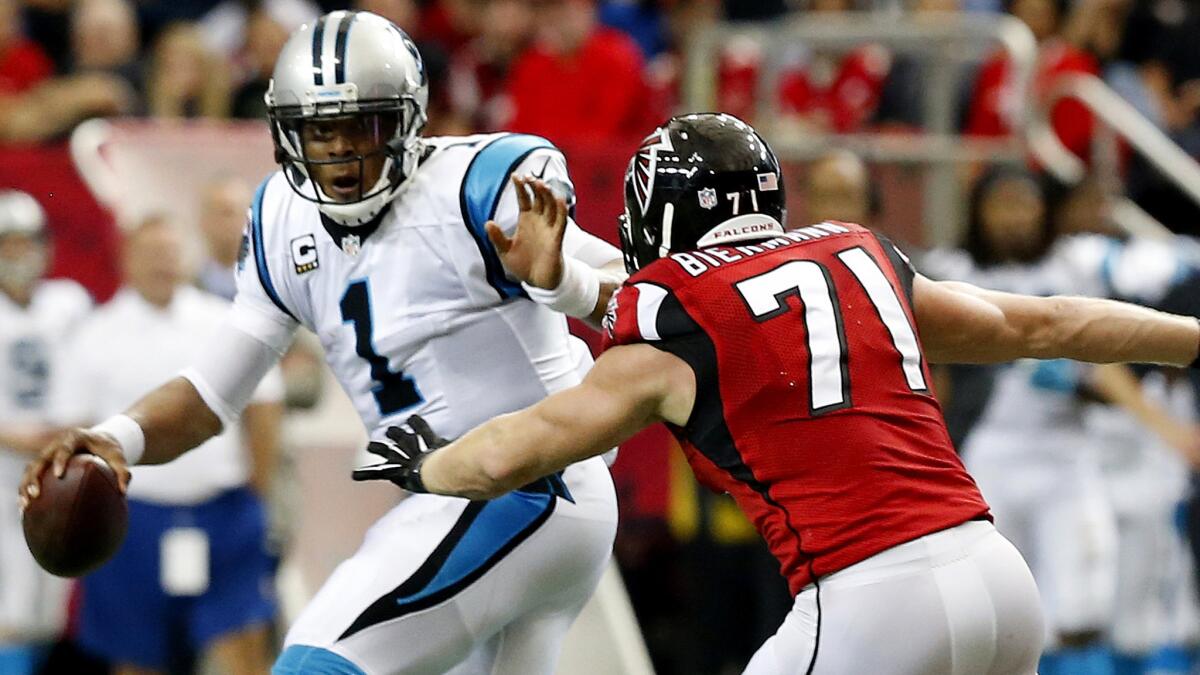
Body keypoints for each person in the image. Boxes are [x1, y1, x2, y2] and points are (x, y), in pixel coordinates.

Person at [348, 113, 1200, 674]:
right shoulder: (858, 257)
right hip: (999, 580)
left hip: (868, 600)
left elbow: (516, 449)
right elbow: (1047, 323)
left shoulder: (668, 318)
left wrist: (429, 465)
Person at [20, 10, 624, 675]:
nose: (338, 150)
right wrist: (118, 438)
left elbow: (632, 295)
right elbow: (213, 391)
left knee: (313, 665)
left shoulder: (473, 185)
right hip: (478, 500)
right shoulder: (281, 218)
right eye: (318, 130)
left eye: (358, 125)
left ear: (405, 121)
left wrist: (562, 280)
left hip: (526, 485)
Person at [54, 215, 283, 675]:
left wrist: (259, 486)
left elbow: (265, 403)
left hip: (224, 513)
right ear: (126, 258)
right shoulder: (94, 335)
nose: (162, 264)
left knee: (243, 649)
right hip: (134, 519)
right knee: (138, 657)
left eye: (170, 252)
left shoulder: (223, 321)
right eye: (151, 253)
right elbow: (72, 433)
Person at [0, 190, 91, 674]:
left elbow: (93, 375)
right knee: (8, 604)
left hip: (58, 468)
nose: (19, 254)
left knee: (48, 607)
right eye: (7, 245)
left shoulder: (69, 303)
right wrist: (23, 437)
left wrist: (70, 430)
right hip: (3, 472)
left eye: (25, 242)